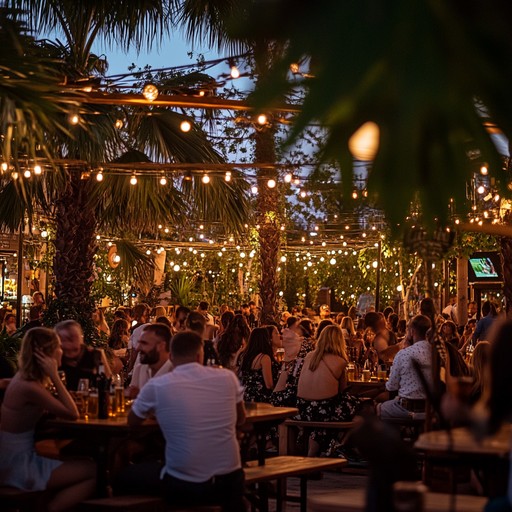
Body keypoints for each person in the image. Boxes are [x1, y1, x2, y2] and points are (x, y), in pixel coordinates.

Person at [123, 331, 246, 512]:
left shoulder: (158, 385)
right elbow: (241, 419)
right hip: (231, 482)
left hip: (185, 485)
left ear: (171, 356)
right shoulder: (228, 377)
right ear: (199, 355)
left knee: (123, 476)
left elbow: (132, 422)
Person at [0, 327, 95, 511]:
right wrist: (54, 375)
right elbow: (72, 413)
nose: (62, 350)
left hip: (12, 457)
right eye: (58, 346)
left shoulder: (24, 379)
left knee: (75, 458)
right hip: (17, 465)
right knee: (93, 470)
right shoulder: (29, 387)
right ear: (47, 354)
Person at [296, 325, 361, 456]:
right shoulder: (340, 361)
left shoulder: (309, 356)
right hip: (323, 409)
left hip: (302, 407)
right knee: (361, 410)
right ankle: (340, 444)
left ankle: (328, 445)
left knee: (332, 410)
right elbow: (342, 390)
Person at [378, 315, 433, 420]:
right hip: (430, 409)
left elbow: (391, 387)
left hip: (406, 409)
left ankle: (392, 436)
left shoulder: (404, 354)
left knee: (379, 409)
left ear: (412, 332)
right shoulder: (437, 353)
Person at [56, 320, 111, 390]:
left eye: (75, 336)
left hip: (92, 399)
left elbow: (109, 381)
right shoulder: (56, 357)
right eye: (68, 338)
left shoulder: (95, 354)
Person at [126, 323, 173, 398]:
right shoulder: (140, 368)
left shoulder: (175, 372)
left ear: (161, 346)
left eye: (144, 343)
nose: (138, 348)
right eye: (139, 343)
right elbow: (132, 400)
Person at [238, 327, 276, 403]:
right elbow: (269, 384)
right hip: (260, 397)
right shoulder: (264, 358)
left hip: (246, 395)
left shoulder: (244, 356)